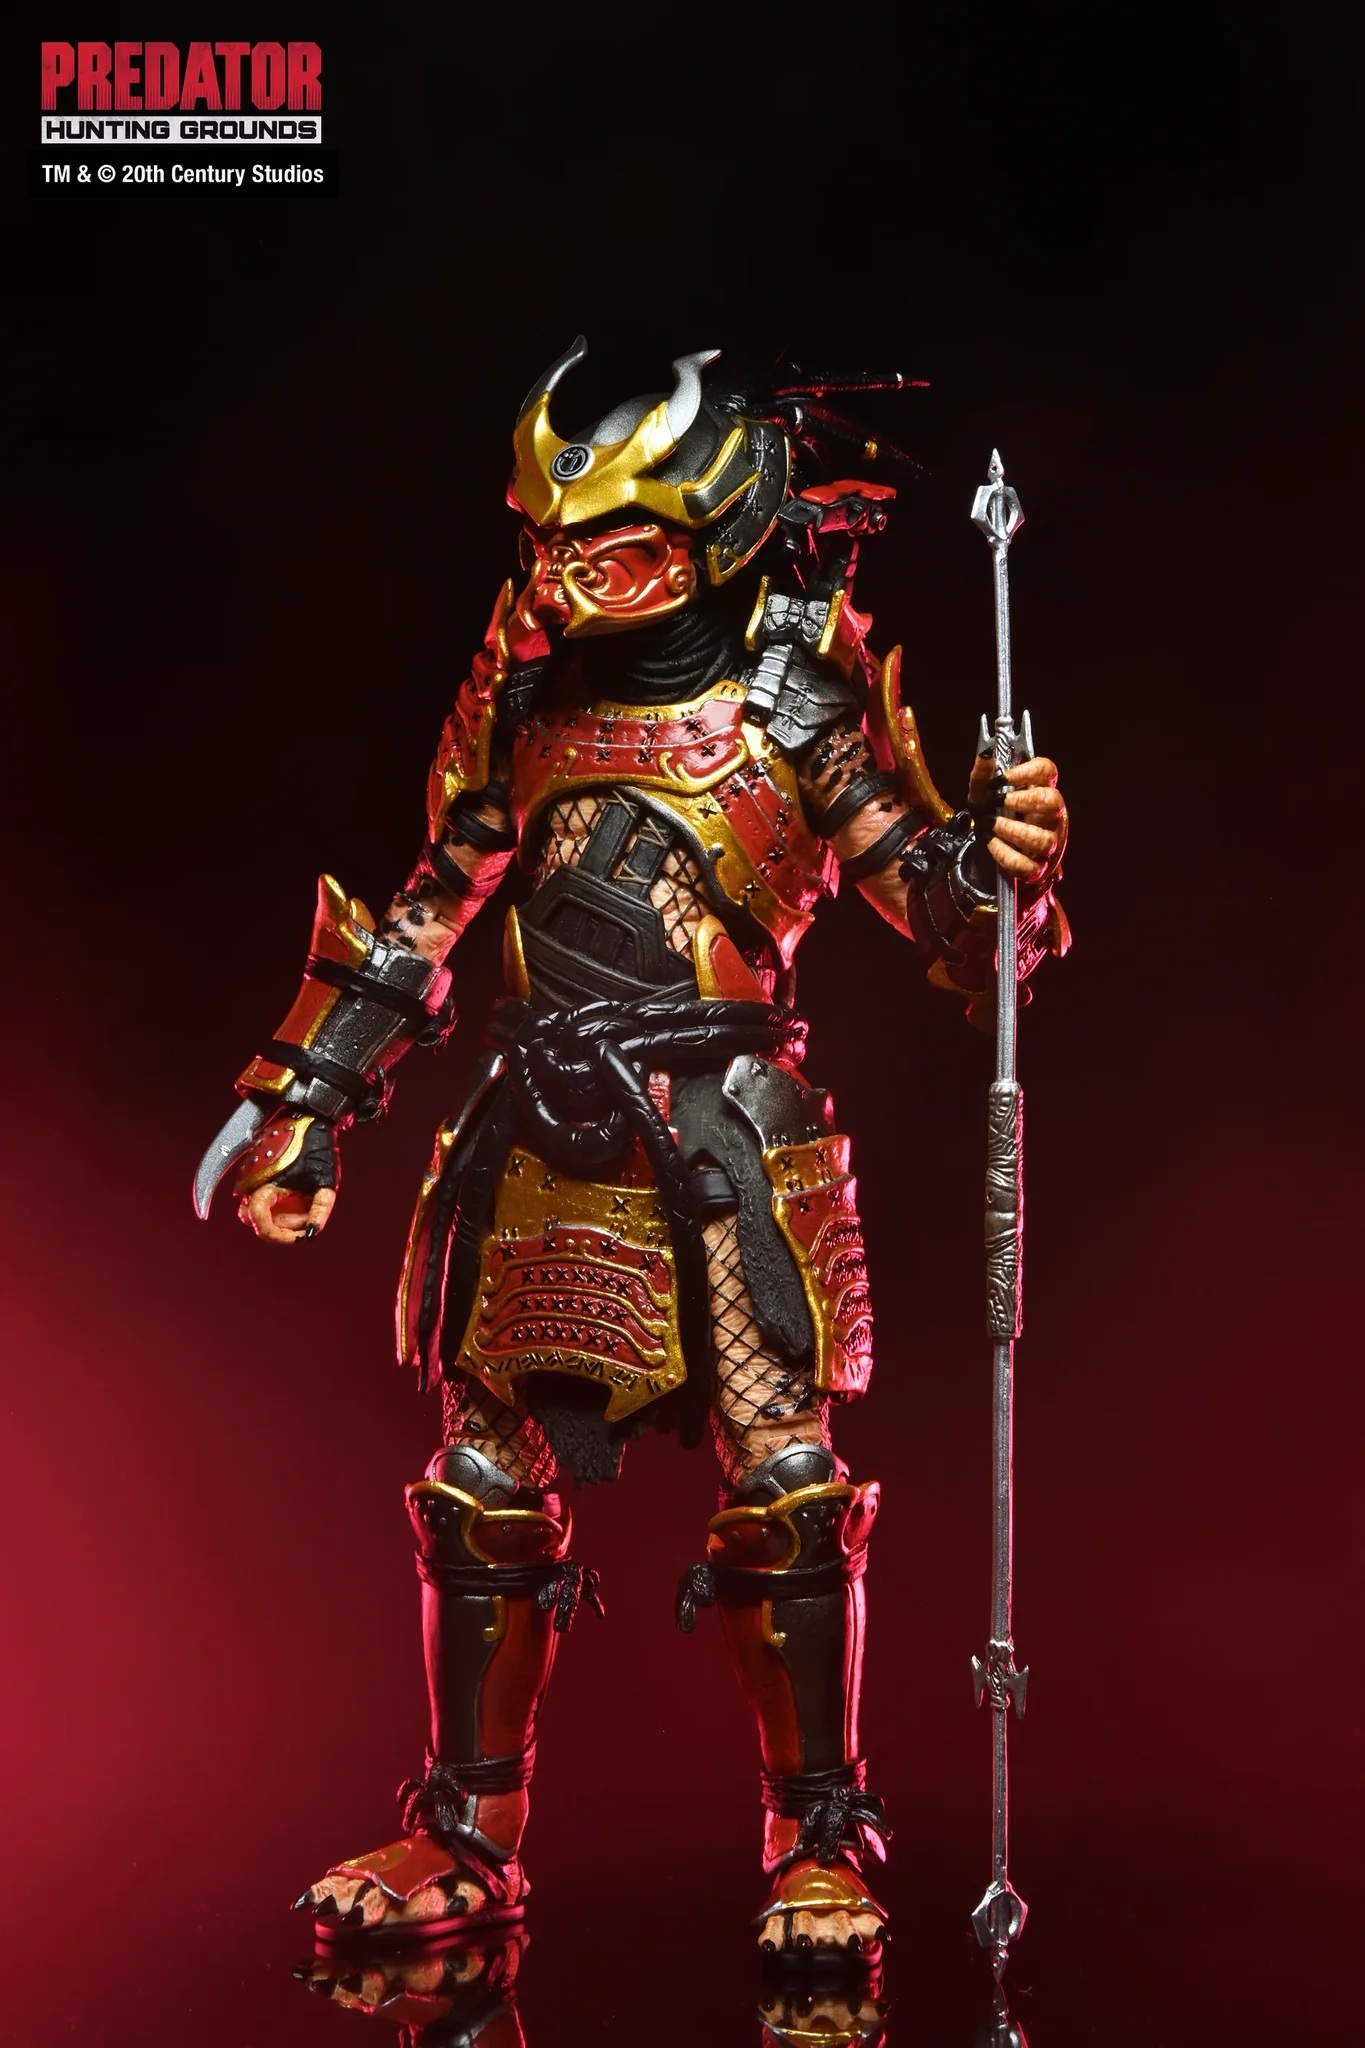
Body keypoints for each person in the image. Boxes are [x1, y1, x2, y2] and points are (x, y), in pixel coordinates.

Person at [195, 340, 1069, 1965]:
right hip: (536, 1133)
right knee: (480, 1492)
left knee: (784, 1490)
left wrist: (998, 868)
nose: (567, 581)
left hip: (731, 1142)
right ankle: (467, 1835)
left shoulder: (792, 706)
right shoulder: (525, 702)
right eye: (549, 546)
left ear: (717, 527)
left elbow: (951, 924)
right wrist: (306, 1098)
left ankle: (817, 1838)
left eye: (612, 548)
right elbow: (428, 906)